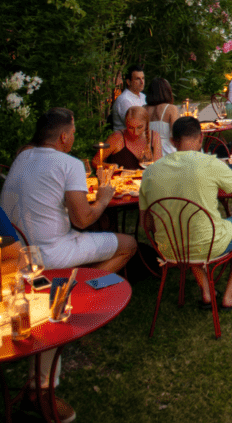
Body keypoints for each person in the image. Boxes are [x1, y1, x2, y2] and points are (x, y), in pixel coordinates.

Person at [2, 108, 138, 423]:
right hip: (52, 252)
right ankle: (77, 298)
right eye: (73, 133)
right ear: (65, 136)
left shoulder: (22, 157)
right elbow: (83, 218)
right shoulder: (70, 163)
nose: (73, 138)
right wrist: (104, 197)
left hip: (16, 249)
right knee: (128, 244)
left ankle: (69, 294)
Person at [139, 116, 232, 310]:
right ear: (201, 138)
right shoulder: (209, 163)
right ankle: (231, 292)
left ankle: (207, 292)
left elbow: (147, 225)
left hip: (169, 249)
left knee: (186, 228)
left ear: (173, 141)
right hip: (209, 245)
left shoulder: (150, 173)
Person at [93, 105, 162, 170]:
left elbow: (158, 167)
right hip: (120, 181)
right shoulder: (117, 137)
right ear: (126, 124)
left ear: (147, 124)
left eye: (140, 127)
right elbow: (95, 162)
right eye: (131, 128)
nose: (135, 132)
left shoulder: (154, 136)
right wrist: (110, 166)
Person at [146, 78, 180, 155]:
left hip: (148, 150)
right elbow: (176, 134)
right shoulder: (171, 109)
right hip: (166, 151)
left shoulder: (143, 108)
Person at [112, 65, 146, 131]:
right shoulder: (124, 100)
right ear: (128, 82)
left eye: (143, 78)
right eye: (137, 79)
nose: (142, 82)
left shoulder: (143, 96)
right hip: (124, 139)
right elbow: (134, 125)